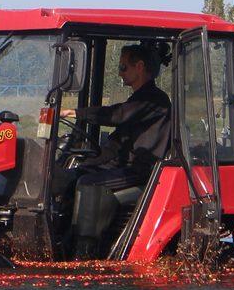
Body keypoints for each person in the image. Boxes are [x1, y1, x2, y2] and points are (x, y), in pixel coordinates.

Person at [57, 44, 173, 257]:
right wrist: (89, 162)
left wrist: (76, 112)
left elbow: (117, 115)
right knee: (76, 175)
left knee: (88, 183)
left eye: (122, 67)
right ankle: (60, 240)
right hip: (126, 166)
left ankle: (84, 252)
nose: (119, 73)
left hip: (141, 171)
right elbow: (116, 144)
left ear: (139, 67)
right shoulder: (138, 100)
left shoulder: (153, 100)